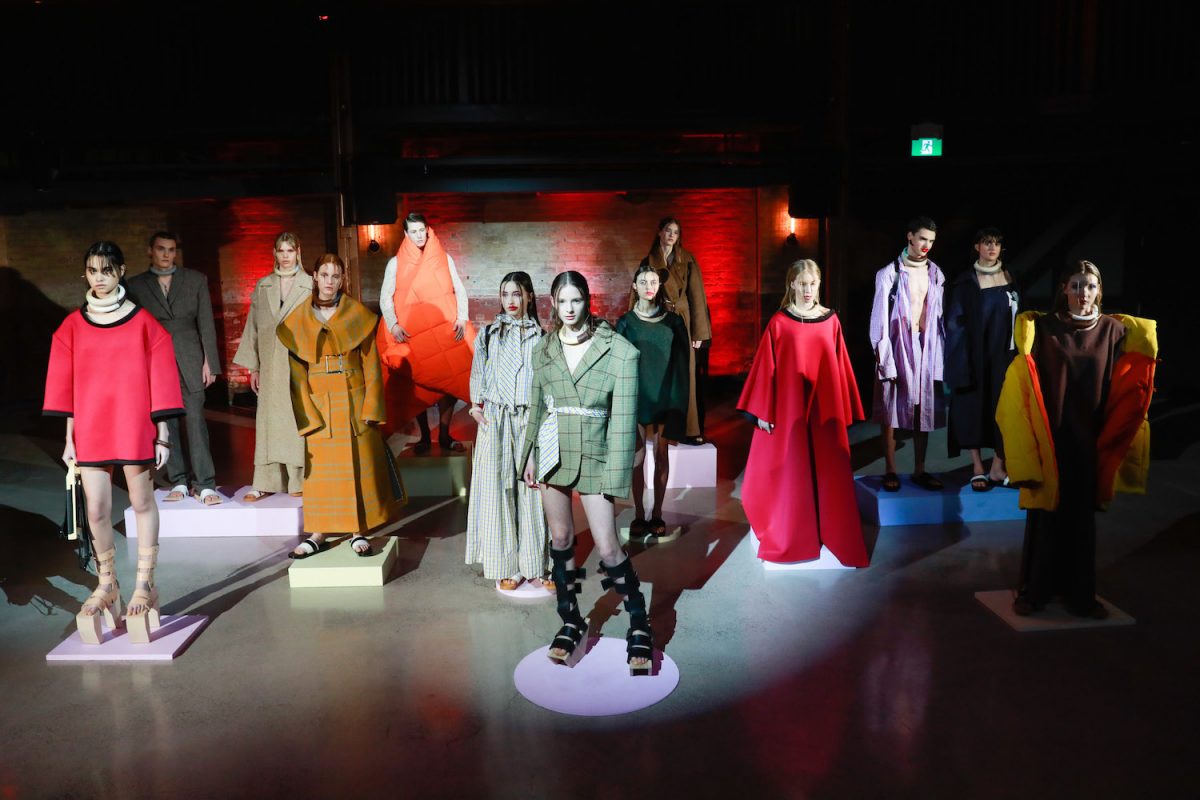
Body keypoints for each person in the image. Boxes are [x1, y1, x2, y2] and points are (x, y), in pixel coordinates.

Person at [997, 260, 1156, 618]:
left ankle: (1081, 595)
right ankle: (1035, 591)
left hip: (1090, 439)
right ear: (1064, 290)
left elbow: (1124, 384)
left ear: (1099, 291)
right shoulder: (1045, 328)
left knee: (1081, 519)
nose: (1083, 293)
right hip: (1051, 435)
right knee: (1045, 515)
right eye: (1076, 285)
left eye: (1090, 286)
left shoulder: (1113, 331)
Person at [43, 241, 184, 644]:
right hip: (91, 426)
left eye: (107, 270)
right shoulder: (72, 326)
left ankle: (144, 584)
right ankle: (107, 584)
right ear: (85, 274)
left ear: (121, 271)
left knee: (141, 502)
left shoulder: (142, 322)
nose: (99, 278)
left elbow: (161, 374)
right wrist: (69, 438)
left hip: (133, 422)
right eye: (92, 270)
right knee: (97, 509)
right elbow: (67, 386)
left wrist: (163, 433)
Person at [518, 271, 652, 675]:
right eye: (562, 301)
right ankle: (570, 618)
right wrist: (529, 455)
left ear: (587, 301)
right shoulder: (544, 348)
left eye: (576, 300)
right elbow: (537, 406)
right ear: (553, 304)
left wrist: (616, 474)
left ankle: (638, 620)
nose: (569, 309)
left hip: (596, 453)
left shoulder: (618, 351)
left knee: (608, 548)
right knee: (560, 539)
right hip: (553, 451)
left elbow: (624, 419)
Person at [738, 260, 867, 566]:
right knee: (792, 469)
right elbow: (766, 368)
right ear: (792, 284)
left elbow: (840, 367)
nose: (808, 290)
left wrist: (842, 408)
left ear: (818, 285)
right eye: (803, 284)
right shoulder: (779, 323)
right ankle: (794, 533)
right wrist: (763, 410)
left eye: (813, 284)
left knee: (827, 469)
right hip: (789, 408)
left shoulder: (830, 321)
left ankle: (829, 531)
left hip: (823, 408)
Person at [278, 254, 405, 558]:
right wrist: (306, 416)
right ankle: (318, 533)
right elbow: (297, 376)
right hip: (319, 405)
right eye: (324, 275)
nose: (329, 281)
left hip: (354, 402)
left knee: (357, 470)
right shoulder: (298, 320)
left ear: (342, 279)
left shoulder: (357, 315)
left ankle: (358, 531)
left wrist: (372, 407)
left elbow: (371, 365)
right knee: (321, 475)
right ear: (315, 277)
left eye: (335, 276)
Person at [464, 272, 551, 590]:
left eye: (516, 294)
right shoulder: (488, 334)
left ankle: (538, 563)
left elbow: (546, 384)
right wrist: (475, 405)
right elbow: (478, 371)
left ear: (529, 296)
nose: (511, 301)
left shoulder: (542, 338)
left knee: (532, 493)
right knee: (499, 495)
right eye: (505, 294)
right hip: (496, 422)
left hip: (528, 421)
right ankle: (509, 565)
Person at [125, 231, 223, 505]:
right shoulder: (136, 285)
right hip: (155, 361)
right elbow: (133, 330)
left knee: (195, 420)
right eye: (161, 249)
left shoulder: (195, 280)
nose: (166, 254)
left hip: (190, 358)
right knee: (166, 423)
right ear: (150, 251)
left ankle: (205, 484)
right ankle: (178, 480)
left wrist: (210, 362)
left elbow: (206, 323)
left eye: (171, 249)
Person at [377, 212, 475, 453]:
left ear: (428, 230)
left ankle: (444, 434)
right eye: (414, 232)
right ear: (406, 234)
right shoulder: (395, 263)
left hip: (441, 329)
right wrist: (393, 325)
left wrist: (462, 317)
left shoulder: (444, 258)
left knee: (449, 382)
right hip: (411, 332)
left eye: (422, 230)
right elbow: (385, 297)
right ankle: (423, 436)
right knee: (417, 385)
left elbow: (458, 288)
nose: (419, 236)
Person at [232, 233, 311, 501]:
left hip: (298, 364)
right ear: (274, 253)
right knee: (267, 424)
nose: (285, 256)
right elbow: (253, 328)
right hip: (269, 365)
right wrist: (253, 367)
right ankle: (265, 481)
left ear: (298, 252)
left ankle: (298, 480)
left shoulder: (308, 285)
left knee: (295, 422)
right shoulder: (263, 285)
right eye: (281, 250)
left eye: (290, 250)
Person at [869, 216, 946, 492]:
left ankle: (920, 469)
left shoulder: (935, 273)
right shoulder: (888, 273)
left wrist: (938, 354)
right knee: (890, 407)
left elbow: (937, 317)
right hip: (896, 344)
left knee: (922, 408)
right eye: (922, 238)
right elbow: (879, 319)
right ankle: (890, 469)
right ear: (910, 236)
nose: (926, 245)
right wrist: (884, 358)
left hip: (924, 345)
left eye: (931, 241)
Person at [615, 263, 689, 538]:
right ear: (635, 286)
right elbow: (618, 364)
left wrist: (678, 400)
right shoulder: (625, 323)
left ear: (659, 286)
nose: (649, 286)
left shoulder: (674, 322)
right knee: (638, 457)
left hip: (664, 394)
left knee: (661, 455)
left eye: (653, 282)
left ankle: (657, 512)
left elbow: (682, 364)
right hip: (636, 396)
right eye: (644, 281)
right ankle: (638, 514)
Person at [945, 227, 1020, 491]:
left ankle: (998, 467)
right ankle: (977, 467)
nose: (992, 248)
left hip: (1004, 355)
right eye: (987, 243)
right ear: (977, 246)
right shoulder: (966, 282)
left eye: (997, 243)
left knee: (1004, 409)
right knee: (973, 408)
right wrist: (958, 360)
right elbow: (955, 322)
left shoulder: (1010, 276)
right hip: (975, 356)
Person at [635, 217, 712, 445]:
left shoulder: (687, 260)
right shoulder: (648, 261)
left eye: (676, 232)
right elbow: (639, 293)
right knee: (661, 373)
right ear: (660, 232)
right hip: (658, 320)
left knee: (685, 373)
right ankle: (659, 427)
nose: (671, 235)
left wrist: (698, 333)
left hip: (682, 320)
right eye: (668, 230)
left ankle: (689, 429)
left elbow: (697, 296)